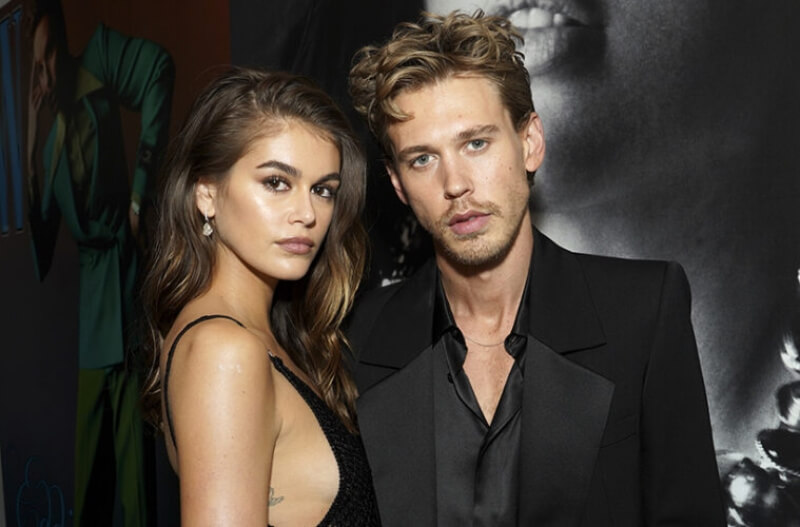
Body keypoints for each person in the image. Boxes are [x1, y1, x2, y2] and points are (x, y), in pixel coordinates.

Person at [347, 11, 726, 526]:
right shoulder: (360, 337)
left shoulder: (643, 310)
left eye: (476, 143)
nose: (455, 184)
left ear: (530, 143)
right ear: (397, 184)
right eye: (422, 159)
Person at [139, 68, 380, 526]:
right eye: (276, 182)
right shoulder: (223, 351)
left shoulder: (264, 337)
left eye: (323, 190)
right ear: (207, 194)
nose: (307, 214)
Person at [25, 0, 174, 524]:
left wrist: (139, 194)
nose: (47, 72)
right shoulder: (49, 148)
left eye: (50, 54)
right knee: (89, 474)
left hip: (126, 289)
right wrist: (31, 133)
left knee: (135, 476)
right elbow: (42, 239)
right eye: (37, 65)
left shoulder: (100, 59)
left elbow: (158, 70)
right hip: (93, 316)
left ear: (64, 46)